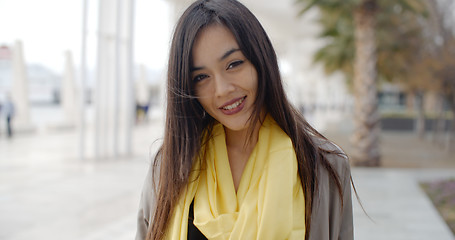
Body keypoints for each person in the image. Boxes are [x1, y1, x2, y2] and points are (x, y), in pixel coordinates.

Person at [136, 0, 354, 239]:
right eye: (201, 77)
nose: (221, 90)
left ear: (261, 59)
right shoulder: (170, 167)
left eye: (234, 64)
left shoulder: (324, 166)